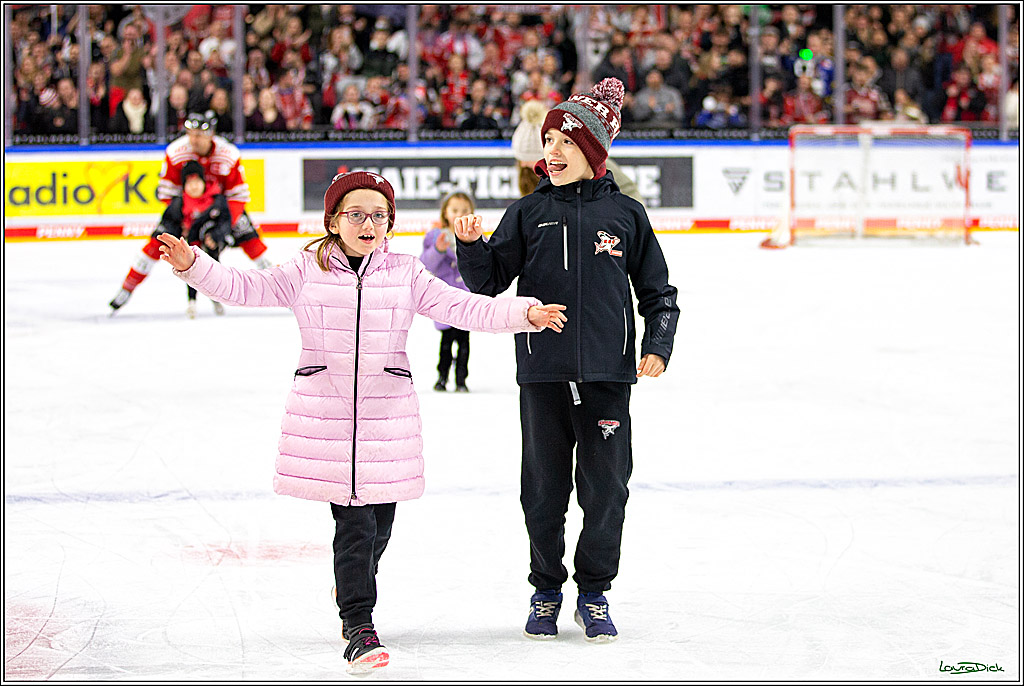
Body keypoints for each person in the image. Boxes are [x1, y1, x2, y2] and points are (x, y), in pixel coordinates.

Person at [155, 171, 568, 673]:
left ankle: (352, 581)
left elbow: (462, 306)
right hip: (327, 418)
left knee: (379, 527)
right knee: (353, 524)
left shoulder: (404, 272)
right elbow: (247, 287)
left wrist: (524, 313)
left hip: (386, 418)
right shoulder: (306, 268)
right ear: (333, 220)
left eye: (378, 215)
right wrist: (194, 265)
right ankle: (358, 626)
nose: (368, 223)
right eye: (356, 214)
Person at [454, 78, 679, 643]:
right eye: (548, 139)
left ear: (593, 154)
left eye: (565, 142)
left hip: (608, 374)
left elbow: (659, 293)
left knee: (607, 488)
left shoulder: (627, 215)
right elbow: (489, 283)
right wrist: (471, 246)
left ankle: (595, 592)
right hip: (544, 374)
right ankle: (546, 589)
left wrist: (657, 344)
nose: (550, 151)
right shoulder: (527, 212)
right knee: (544, 490)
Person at [109, 111, 272, 313]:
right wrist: (186, 217)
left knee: (252, 242)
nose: (193, 139)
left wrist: (222, 227)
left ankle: (281, 287)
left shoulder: (228, 155)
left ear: (211, 134)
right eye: (190, 133)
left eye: (199, 134)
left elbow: (237, 196)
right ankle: (127, 288)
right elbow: (167, 193)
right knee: (156, 244)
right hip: (185, 210)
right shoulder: (176, 152)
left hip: (219, 211)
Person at [420, 191, 475, 392]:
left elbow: (481, 263)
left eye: (464, 210)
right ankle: (442, 377)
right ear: (445, 212)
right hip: (444, 299)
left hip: (466, 299)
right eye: (454, 210)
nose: (459, 214)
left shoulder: (476, 235)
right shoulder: (436, 236)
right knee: (446, 341)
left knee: (464, 343)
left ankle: (461, 379)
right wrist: (439, 249)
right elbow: (426, 264)